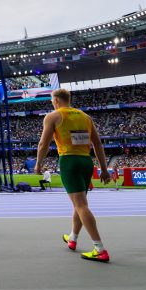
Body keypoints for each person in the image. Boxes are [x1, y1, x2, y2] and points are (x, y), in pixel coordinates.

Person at [34, 88, 112, 262]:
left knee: (81, 205)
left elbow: (43, 144)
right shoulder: (86, 117)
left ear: (56, 100)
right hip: (86, 162)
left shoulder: (53, 116)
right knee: (80, 204)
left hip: (69, 161)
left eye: (52, 101)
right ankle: (72, 238)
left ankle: (100, 249)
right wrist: (104, 169)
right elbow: (98, 144)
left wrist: (38, 164)